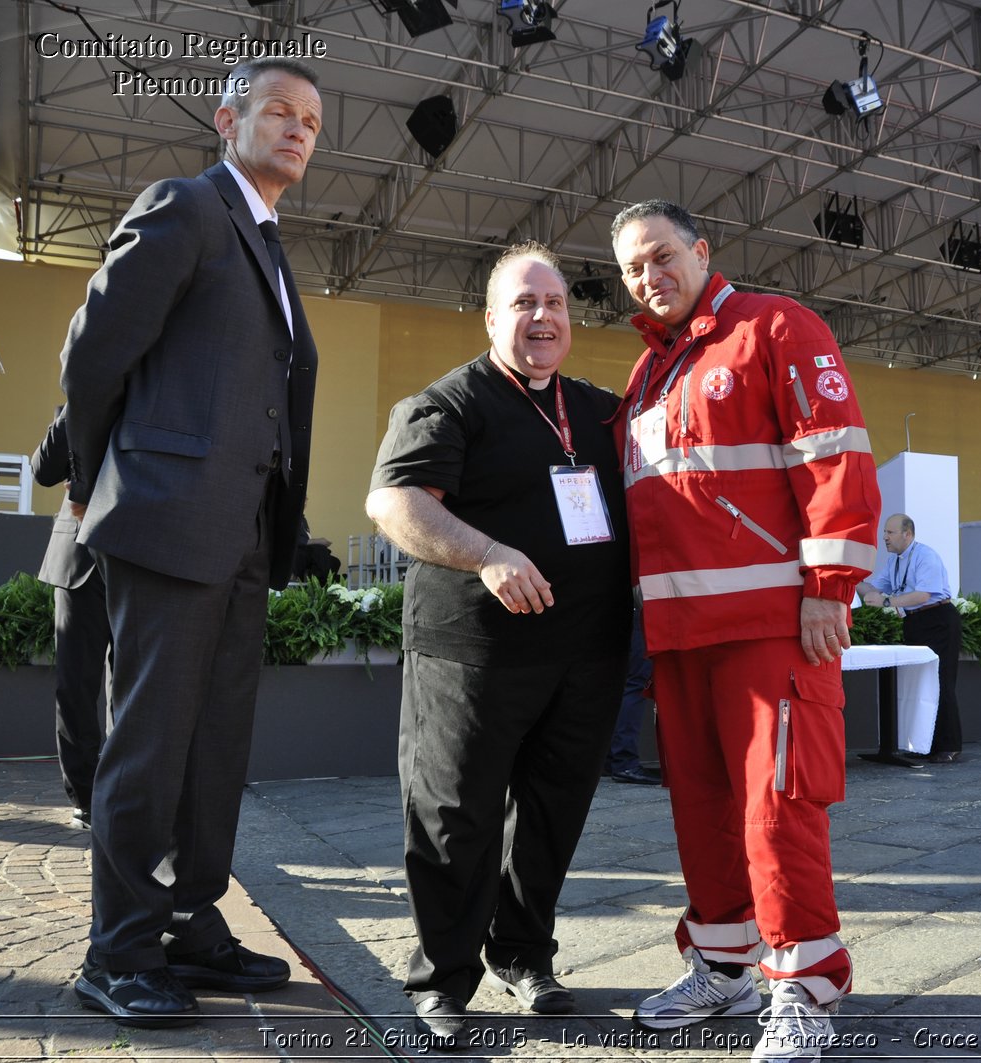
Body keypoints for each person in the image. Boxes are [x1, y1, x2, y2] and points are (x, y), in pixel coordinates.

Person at [58, 57, 323, 1027]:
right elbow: (94, 352)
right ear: (227, 118)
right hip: (166, 521)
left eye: (311, 122)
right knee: (151, 744)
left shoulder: (267, 241)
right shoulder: (186, 207)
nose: (297, 130)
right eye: (278, 112)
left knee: (213, 749)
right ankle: (117, 949)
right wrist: (98, 484)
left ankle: (186, 922)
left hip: (242, 537)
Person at [610, 199, 881, 1063]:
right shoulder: (646, 375)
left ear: (700, 250)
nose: (649, 276)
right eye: (631, 268)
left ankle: (805, 984)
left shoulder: (776, 327)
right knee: (703, 810)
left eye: (660, 256)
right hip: (681, 637)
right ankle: (723, 961)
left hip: (772, 629)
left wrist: (828, 587)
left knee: (777, 810)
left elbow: (834, 453)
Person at [365, 243, 631, 1050]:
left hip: (585, 653)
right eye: (523, 303)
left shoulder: (598, 411)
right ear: (491, 318)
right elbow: (395, 500)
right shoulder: (449, 403)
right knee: (457, 815)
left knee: (553, 812)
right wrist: (487, 554)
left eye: (554, 303)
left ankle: (523, 953)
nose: (542, 316)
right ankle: (442, 978)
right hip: (472, 653)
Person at [30, 408, 109, 831]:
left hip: (142, 556)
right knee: (75, 685)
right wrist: (75, 403)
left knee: (131, 688)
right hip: (79, 557)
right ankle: (86, 797)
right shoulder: (81, 394)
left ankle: (122, 795)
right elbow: (44, 471)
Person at [858, 514, 962, 762]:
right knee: (919, 683)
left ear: (908, 534)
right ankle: (923, 744)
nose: (884, 537)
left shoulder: (925, 556)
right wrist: (851, 578)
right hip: (914, 622)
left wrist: (887, 601)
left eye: (890, 532)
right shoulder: (894, 561)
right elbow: (873, 588)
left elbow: (924, 594)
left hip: (938, 620)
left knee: (941, 681)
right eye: (885, 532)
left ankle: (949, 745)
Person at [607, 609, 663, 784]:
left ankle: (613, 759)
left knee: (619, 683)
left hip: (614, 612)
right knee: (635, 683)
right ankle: (624, 761)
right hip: (637, 609)